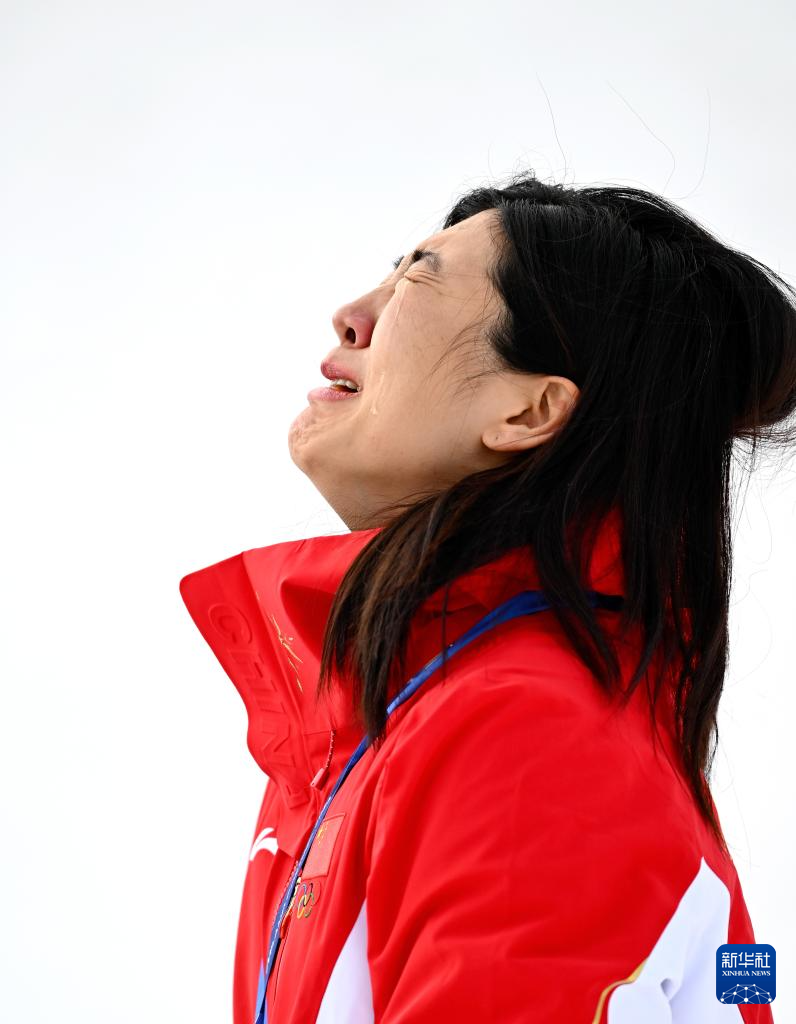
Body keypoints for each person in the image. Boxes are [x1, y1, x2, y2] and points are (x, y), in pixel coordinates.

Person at [180, 171, 795, 1023]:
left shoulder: (532, 732)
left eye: (418, 279)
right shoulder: (412, 718)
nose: (352, 314)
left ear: (530, 411)